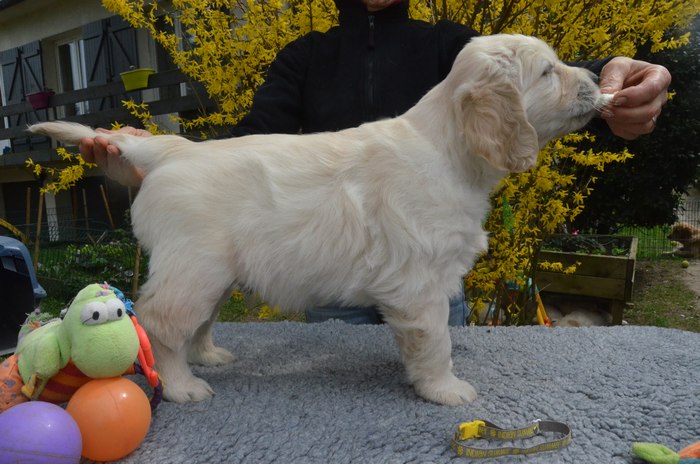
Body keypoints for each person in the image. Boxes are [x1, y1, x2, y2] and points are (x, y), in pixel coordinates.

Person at [80, 0, 671, 325]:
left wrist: (612, 89)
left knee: (432, 400)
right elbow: (245, 153)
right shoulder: (305, 56)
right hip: (334, 289)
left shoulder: (451, 46)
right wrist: (155, 159)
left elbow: (539, 87)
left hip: (431, 285)